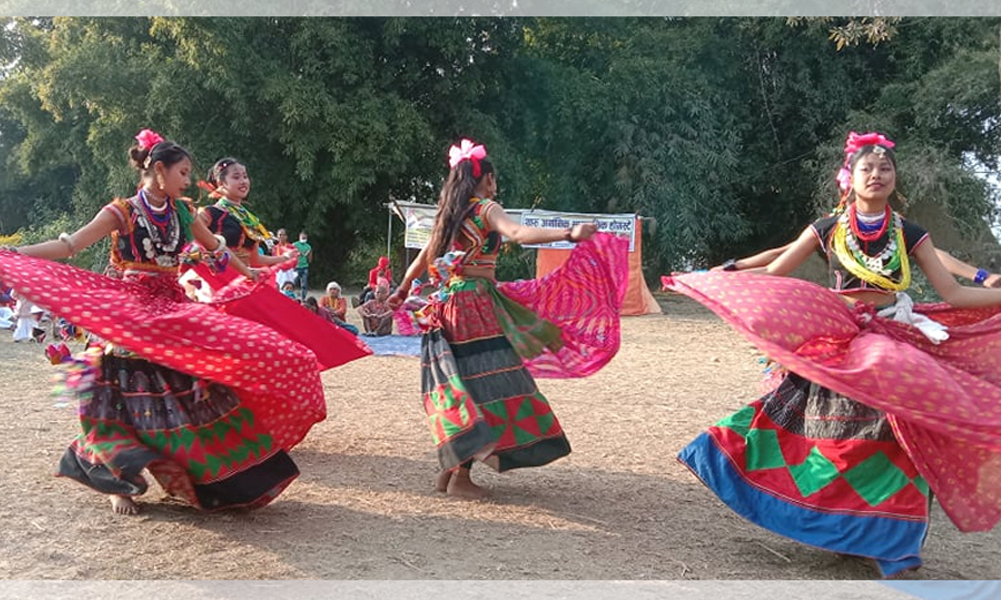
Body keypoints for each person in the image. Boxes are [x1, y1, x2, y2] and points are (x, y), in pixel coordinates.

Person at [663, 131, 1001, 577]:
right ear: (850, 179)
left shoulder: (911, 234)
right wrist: (716, 278)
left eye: (885, 169)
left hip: (893, 333)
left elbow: (953, 292)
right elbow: (776, 272)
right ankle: (827, 522)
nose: (877, 175)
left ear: (895, 180)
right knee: (821, 435)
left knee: (900, 432)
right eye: (868, 169)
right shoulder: (827, 228)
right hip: (837, 335)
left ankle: (888, 543)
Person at [0, 129, 328, 515]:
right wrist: (15, 253)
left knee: (199, 387)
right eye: (184, 173)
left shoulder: (184, 212)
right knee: (116, 401)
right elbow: (71, 245)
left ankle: (213, 479)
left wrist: (250, 271)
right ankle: (116, 484)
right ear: (159, 170)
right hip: (128, 315)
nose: (189, 181)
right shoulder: (120, 211)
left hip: (172, 311)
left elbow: (215, 247)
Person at [390, 138, 629, 499]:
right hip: (474, 305)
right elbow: (517, 233)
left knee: (460, 382)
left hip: (445, 305)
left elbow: (423, 258)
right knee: (485, 384)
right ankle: (460, 479)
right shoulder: (486, 208)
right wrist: (568, 233)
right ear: (484, 179)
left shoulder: (448, 217)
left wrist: (402, 289)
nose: (495, 183)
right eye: (492, 177)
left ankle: (449, 471)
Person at [196, 158, 296, 277]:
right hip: (217, 281)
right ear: (221, 183)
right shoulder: (210, 213)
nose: (243, 181)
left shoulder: (249, 219)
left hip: (243, 278)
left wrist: (284, 258)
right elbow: (191, 243)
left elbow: (255, 260)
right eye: (236, 177)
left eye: (245, 176)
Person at [293, 231, 312, 301]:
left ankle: (303, 298)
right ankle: (291, 296)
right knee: (293, 283)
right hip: (296, 267)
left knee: (304, 284)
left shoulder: (308, 246)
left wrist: (309, 256)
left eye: (305, 238)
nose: (304, 239)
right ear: (299, 237)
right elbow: (290, 253)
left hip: (305, 267)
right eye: (303, 237)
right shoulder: (295, 244)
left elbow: (310, 258)